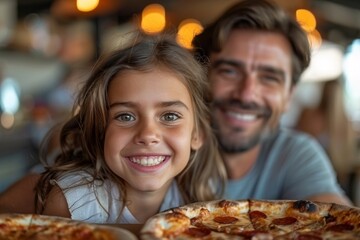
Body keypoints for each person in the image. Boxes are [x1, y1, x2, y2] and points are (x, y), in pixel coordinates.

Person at [2, 33, 227, 223]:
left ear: (198, 134)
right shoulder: (74, 201)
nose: (148, 134)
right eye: (126, 116)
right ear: (100, 129)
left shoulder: (194, 196)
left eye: (169, 116)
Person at [192, 0, 352, 205]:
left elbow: (341, 226)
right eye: (229, 71)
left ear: (288, 96)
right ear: (201, 77)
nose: (246, 94)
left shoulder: (294, 153)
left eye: (269, 78)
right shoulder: (165, 150)